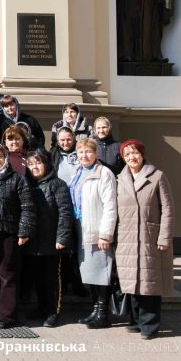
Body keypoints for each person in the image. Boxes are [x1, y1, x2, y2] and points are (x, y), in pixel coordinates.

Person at [115, 140, 174, 339]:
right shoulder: (119, 179)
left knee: (149, 282)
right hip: (127, 237)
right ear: (123, 158)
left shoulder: (157, 177)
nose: (132, 157)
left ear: (142, 154)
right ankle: (135, 320)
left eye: (135, 153)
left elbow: (167, 209)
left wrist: (164, 236)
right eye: (127, 154)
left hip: (150, 237)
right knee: (132, 280)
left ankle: (149, 325)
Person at [0, 143, 35, 328]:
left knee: (7, 274)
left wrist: (24, 231)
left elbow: (27, 207)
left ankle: (7, 316)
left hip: (10, 233)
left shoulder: (17, 179)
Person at [70, 137, 118, 329]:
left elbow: (110, 205)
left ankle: (103, 314)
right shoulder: (78, 172)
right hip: (82, 228)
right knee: (89, 274)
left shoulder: (104, 173)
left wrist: (106, 233)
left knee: (101, 273)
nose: (84, 155)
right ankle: (95, 310)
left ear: (96, 153)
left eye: (88, 151)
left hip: (97, 231)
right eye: (81, 152)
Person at [23, 149, 73, 328]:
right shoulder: (29, 185)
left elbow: (65, 213)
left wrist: (62, 238)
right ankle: (41, 308)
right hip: (34, 243)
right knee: (38, 279)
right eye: (30, 164)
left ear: (46, 163)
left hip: (53, 242)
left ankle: (53, 312)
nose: (34, 167)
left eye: (38, 163)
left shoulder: (58, 184)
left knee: (52, 279)